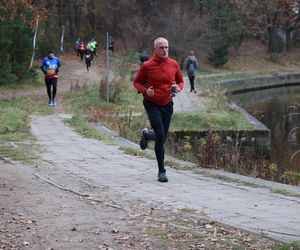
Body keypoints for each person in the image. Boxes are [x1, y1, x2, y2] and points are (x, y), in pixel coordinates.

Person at [134, 37, 184, 182]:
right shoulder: (147, 66)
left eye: (166, 47)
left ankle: (147, 136)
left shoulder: (174, 64)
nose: (164, 50)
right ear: (155, 49)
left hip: (167, 104)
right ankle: (162, 171)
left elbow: (180, 81)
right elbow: (137, 82)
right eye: (161, 47)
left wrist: (178, 88)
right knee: (161, 136)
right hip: (152, 104)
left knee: (162, 137)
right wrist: (145, 91)